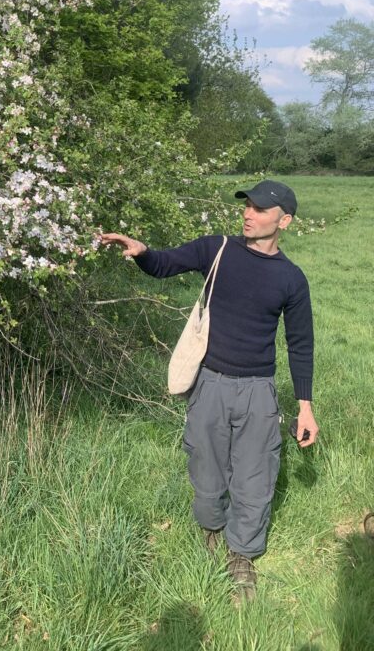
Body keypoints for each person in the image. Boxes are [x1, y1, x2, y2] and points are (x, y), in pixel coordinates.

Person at [99, 180, 318, 603]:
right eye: (247, 206)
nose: (248, 213)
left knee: (254, 476)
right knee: (206, 468)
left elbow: (300, 343)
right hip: (210, 383)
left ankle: (242, 556)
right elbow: (164, 264)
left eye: (259, 208)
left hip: (258, 390)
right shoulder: (217, 250)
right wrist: (142, 252)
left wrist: (304, 407)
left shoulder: (291, 279)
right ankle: (212, 532)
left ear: (284, 220)